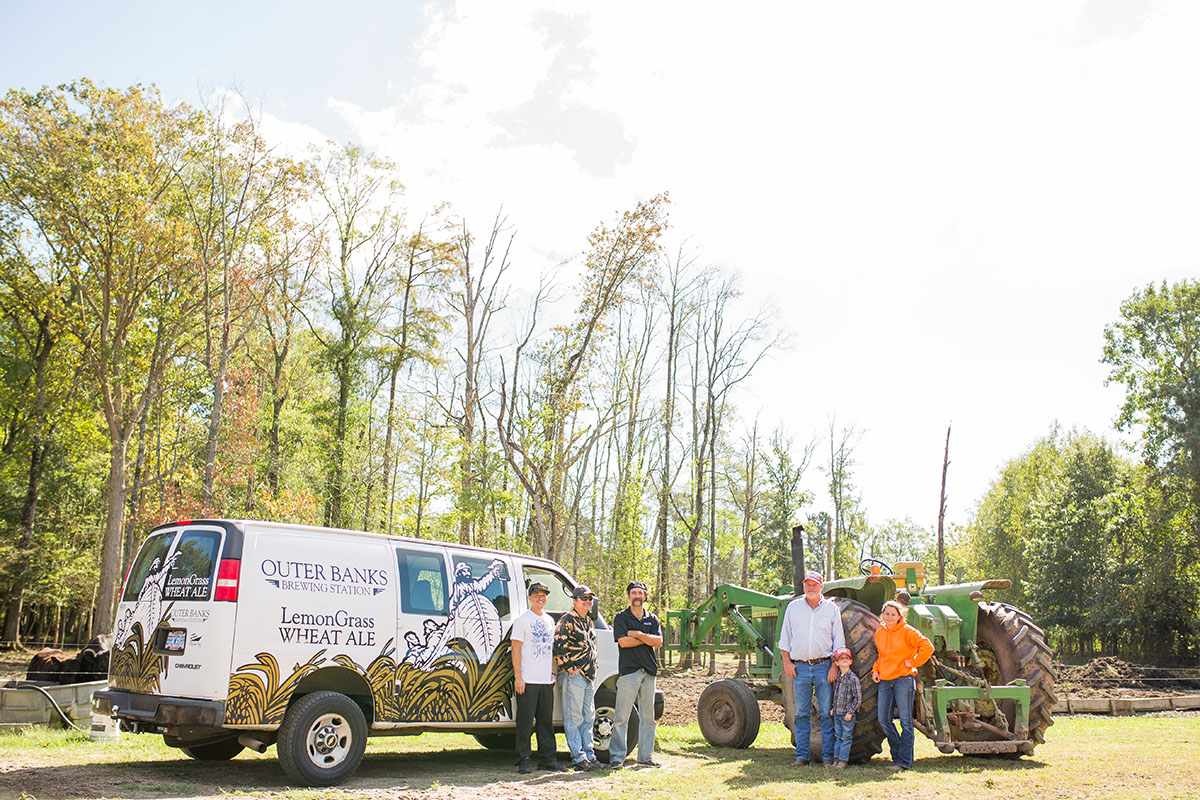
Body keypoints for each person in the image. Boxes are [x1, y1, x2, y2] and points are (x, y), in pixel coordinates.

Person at [777, 570, 845, 767]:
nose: (810, 587)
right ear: (804, 586)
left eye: (814, 584)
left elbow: (838, 640)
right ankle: (802, 756)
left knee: (826, 713)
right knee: (801, 714)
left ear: (821, 587)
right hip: (800, 668)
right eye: (807, 584)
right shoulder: (793, 608)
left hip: (824, 666)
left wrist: (834, 665)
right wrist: (787, 663)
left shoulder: (831, 609)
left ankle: (827, 757)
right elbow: (785, 638)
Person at [872, 599, 934, 772]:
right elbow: (881, 655)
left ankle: (903, 762)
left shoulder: (908, 631)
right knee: (884, 719)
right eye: (887, 614)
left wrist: (914, 661)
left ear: (900, 616)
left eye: (893, 614)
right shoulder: (880, 632)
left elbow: (927, 647)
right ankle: (898, 754)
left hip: (903, 680)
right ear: (882, 615)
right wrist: (875, 670)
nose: (890, 617)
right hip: (885, 680)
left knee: (906, 722)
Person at [609, 580, 663, 769]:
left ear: (645, 596)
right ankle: (617, 758)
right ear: (628, 596)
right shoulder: (621, 617)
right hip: (629, 672)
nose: (637, 596)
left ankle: (645, 757)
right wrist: (646, 639)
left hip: (649, 672)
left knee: (648, 717)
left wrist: (638, 635)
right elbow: (623, 642)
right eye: (634, 593)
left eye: (640, 593)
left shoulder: (653, 618)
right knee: (621, 717)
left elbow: (658, 642)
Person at [510, 581, 562, 774]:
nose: (541, 598)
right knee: (525, 722)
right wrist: (518, 677)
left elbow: (550, 649)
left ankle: (547, 758)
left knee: (545, 722)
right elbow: (516, 650)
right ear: (529, 598)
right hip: (528, 679)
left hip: (545, 680)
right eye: (537, 595)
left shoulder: (549, 621)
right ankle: (523, 758)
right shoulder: (522, 621)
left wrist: (552, 672)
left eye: (544, 595)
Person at [554, 585, 599, 771]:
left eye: (590, 599)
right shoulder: (567, 620)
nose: (587, 602)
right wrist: (571, 668)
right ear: (575, 600)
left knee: (588, 716)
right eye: (583, 598)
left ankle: (589, 754)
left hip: (589, 677)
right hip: (573, 677)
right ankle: (577, 756)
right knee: (574, 717)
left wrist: (593, 666)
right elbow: (558, 647)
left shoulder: (587, 621)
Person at [829, 646, 861, 769]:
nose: (844, 660)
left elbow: (857, 698)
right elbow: (836, 695)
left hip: (847, 715)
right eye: (841, 658)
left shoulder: (853, 679)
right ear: (836, 663)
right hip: (837, 713)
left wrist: (851, 712)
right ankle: (836, 759)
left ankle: (843, 760)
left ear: (851, 661)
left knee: (846, 737)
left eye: (846, 658)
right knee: (838, 736)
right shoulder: (838, 679)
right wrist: (833, 708)